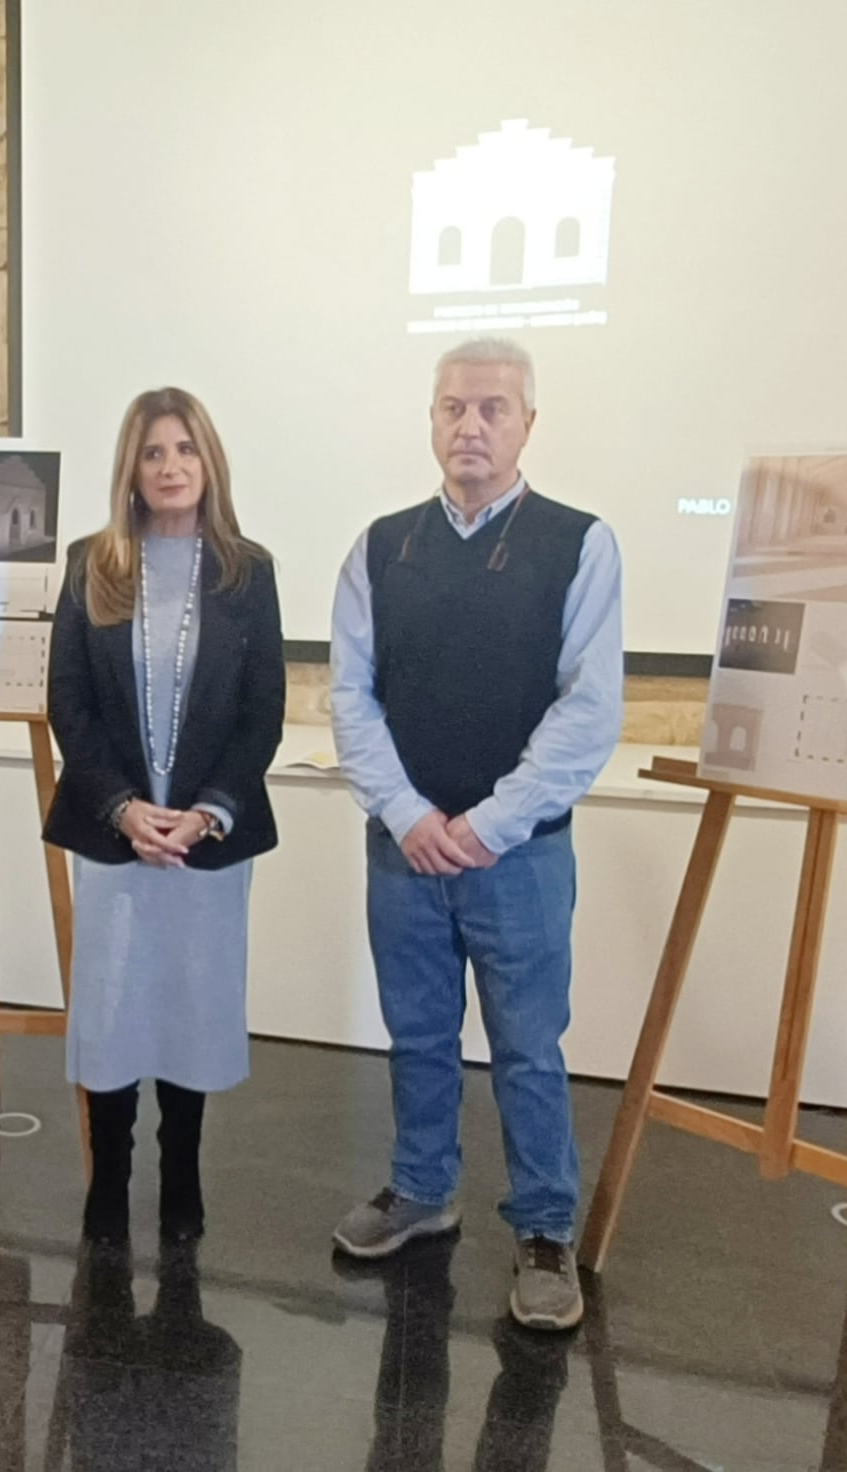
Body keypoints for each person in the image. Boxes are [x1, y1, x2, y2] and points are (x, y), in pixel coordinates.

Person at [327, 338, 624, 1332]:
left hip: (519, 855)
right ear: (431, 419)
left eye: (494, 408)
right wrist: (410, 815)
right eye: (454, 407)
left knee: (529, 1047)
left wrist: (487, 824)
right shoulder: (381, 545)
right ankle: (423, 1188)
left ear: (528, 424)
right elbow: (350, 696)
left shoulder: (579, 542)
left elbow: (588, 711)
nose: (471, 425)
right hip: (402, 848)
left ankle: (544, 1229)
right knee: (416, 1035)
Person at [40, 388, 285, 1247]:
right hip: (116, 839)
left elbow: (263, 713)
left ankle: (182, 1173)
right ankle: (109, 1177)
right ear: (131, 472)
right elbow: (68, 703)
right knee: (112, 1010)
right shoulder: (91, 563)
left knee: (190, 1004)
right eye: (154, 453)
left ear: (208, 461)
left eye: (185, 450)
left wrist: (207, 812)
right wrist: (123, 808)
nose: (172, 466)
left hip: (208, 843)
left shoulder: (247, 572)